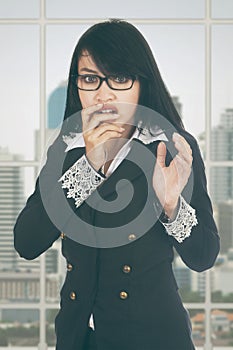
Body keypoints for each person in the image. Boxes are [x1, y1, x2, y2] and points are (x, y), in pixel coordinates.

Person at [14, 19, 220, 350]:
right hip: (77, 338)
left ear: (142, 83)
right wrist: (89, 166)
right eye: (90, 79)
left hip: (152, 338)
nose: (103, 94)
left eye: (120, 78)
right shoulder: (65, 147)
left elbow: (204, 256)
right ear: (76, 85)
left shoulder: (171, 145)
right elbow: (27, 242)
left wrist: (172, 206)